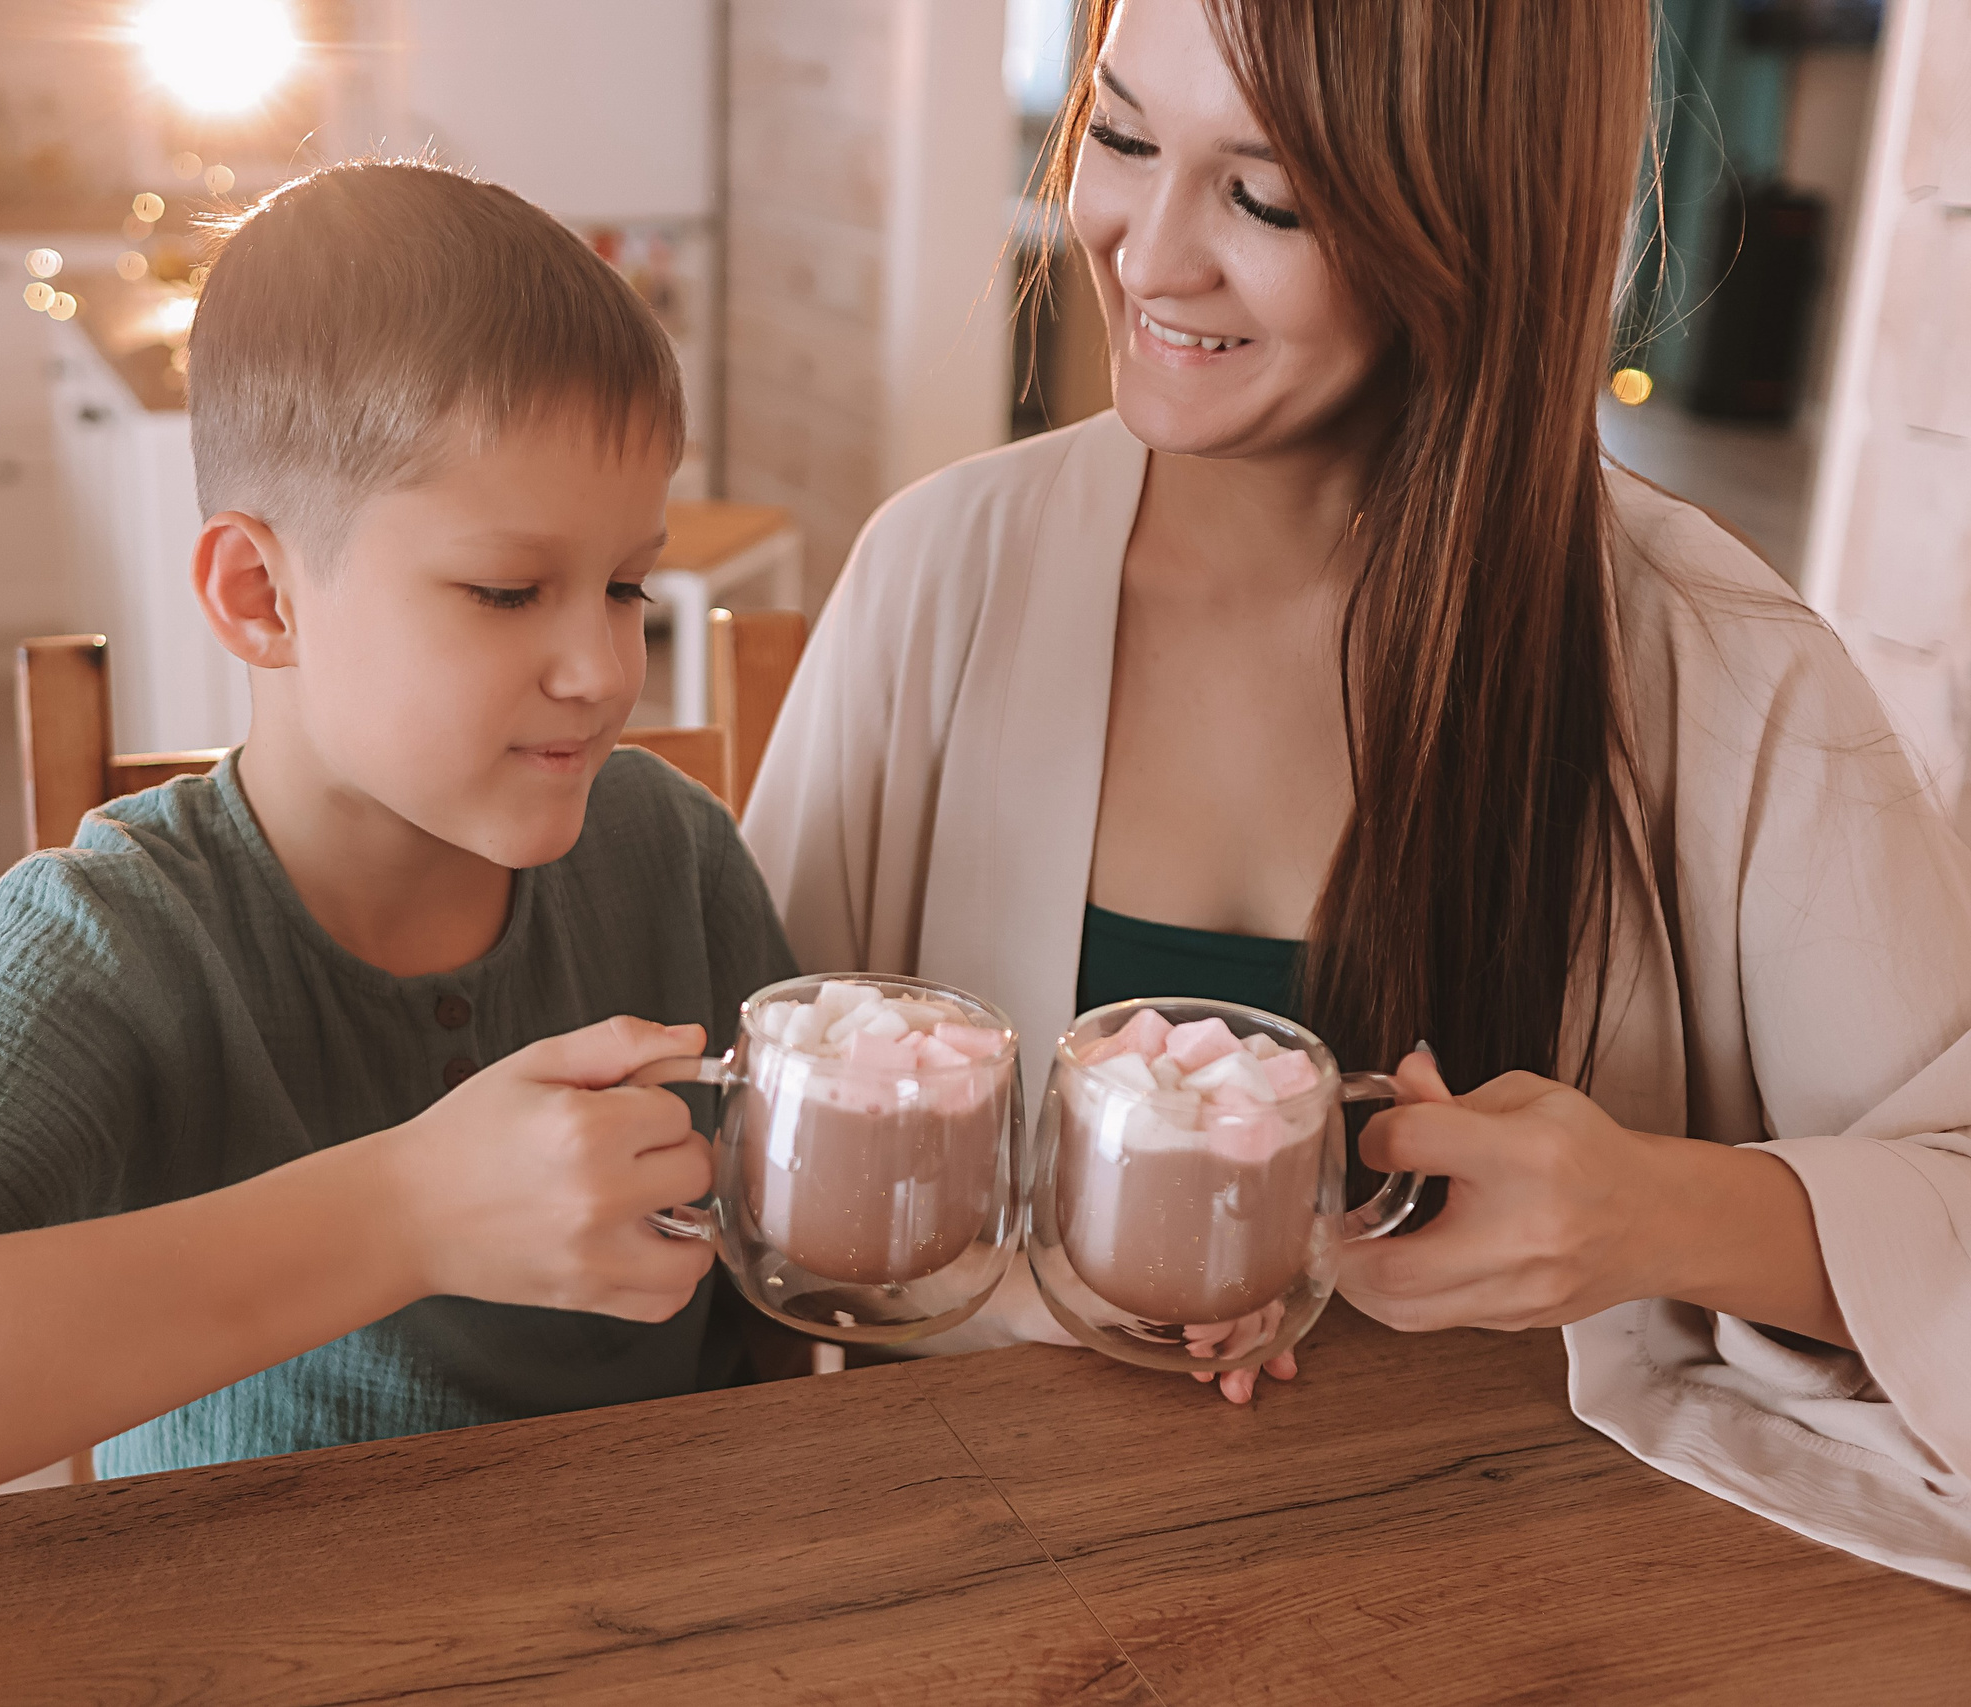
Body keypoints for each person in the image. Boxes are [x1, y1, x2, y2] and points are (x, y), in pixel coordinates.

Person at [742, 0, 1971, 1586]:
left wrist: (1652, 1214)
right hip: (996, 1571)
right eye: (1121, 138)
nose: (1148, 252)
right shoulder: (938, 572)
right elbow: (758, 1181)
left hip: (1534, 1606)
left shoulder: (1723, 669)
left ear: (1473, 225)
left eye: (1269, 199)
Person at [0, 161, 795, 1546]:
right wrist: (407, 1211)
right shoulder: (117, 940)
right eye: (509, 591)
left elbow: (807, 1259)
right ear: (261, 595)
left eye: (626, 584)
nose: (600, 666)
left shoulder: (671, 851)